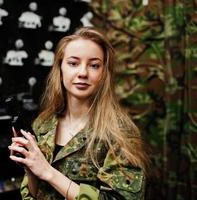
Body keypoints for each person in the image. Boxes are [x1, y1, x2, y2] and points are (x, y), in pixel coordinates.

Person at [8, 27, 150, 200]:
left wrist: (47, 171)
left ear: (104, 73)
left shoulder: (120, 132)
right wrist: (30, 168)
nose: (83, 73)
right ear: (60, 69)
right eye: (73, 63)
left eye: (94, 65)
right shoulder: (43, 123)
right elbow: (31, 194)